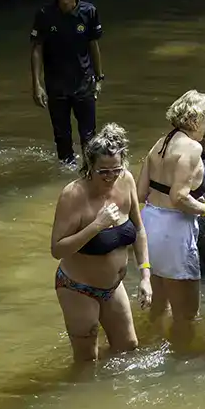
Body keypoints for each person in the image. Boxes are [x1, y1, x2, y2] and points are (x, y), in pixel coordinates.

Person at [50, 123, 152, 362]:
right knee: (87, 361)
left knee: (128, 347)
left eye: (115, 170)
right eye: (103, 171)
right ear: (90, 167)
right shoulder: (73, 195)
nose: (110, 177)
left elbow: (139, 229)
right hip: (77, 288)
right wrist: (97, 225)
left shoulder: (126, 181)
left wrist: (145, 275)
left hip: (113, 287)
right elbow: (57, 249)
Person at [136, 89, 205, 347]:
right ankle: (182, 361)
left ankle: (151, 346)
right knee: (188, 314)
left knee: (159, 305)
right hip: (174, 230)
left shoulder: (159, 143)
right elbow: (179, 198)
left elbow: (140, 192)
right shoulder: (192, 147)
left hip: (149, 223)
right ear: (195, 120)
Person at [30, 0, 104, 167]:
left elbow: (93, 45)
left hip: (84, 81)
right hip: (56, 84)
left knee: (89, 135)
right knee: (62, 135)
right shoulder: (45, 14)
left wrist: (99, 77)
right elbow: (37, 49)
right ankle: (66, 172)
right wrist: (36, 84)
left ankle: (90, 172)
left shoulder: (89, 12)